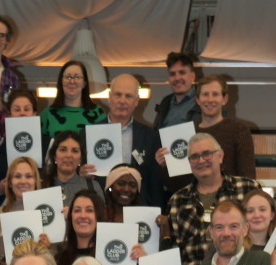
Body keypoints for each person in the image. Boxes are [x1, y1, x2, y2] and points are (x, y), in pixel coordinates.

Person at [166, 133, 259, 265]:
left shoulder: (248, 189)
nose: (201, 160)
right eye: (194, 157)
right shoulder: (177, 201)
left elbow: (263, 235)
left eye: (207, 153)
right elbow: (173, 253)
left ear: (220, 156)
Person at [102, 74, 164, 207]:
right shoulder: (88, 133)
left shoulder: (150, 137)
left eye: (128, 96)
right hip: (102, 208)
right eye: (117, 94)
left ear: (136, 101)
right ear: (109, 98)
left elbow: (154, 183)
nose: (122, 101)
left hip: (138, 210)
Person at [152, 52, 201, 205]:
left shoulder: (203, 101)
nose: (177, 78)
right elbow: (157, 135)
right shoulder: (165, 103)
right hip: (168, 178)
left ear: (192, 76)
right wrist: (159, 154)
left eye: (182, 72)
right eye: (172, 74)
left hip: (195, 176)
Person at [194, 75, 256, 180]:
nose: (210, 99)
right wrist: (164, 165)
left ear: (224, 99)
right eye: (205, 94)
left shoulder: (239, 131)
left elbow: (248, 177)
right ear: (198, 100)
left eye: (215, 94)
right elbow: (179, 182)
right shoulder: (188, 134)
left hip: (231, 195)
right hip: (195, 195)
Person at [41, 61, 107, 136]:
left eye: (77, 77)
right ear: (61, 81)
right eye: (68, 77)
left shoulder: (98, 113)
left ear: (84, 83)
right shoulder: (47, 114)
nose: (72, 81)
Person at [42, 130, 105, 207]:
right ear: (54, 156)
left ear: (81, 158)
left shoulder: (92, 187)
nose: (69, 155)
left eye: (75, 151)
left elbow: (101, 217)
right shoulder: (41, 186)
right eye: (63, 150)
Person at [54, 188, 105, 265]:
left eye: (89, 210)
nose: (83, 216)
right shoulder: (61, 258)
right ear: (70, 216)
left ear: (98, 216)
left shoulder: (109, 256)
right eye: (77, 210)